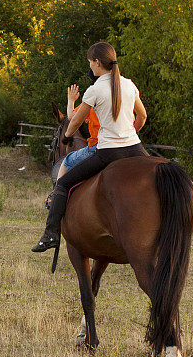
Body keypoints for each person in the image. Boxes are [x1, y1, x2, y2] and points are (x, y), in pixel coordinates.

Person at [32, 41, 148, 252]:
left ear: (97, 62)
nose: (90, 67)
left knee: (64, 183)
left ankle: (50, 235)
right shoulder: (129, 84)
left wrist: (66, 137)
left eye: (90, 63)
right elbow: (142, 116)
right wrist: (129, 134)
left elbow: (75, 122)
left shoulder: (95, 90)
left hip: (108, 152)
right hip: (134, 147)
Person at [57, 82, 100, 180]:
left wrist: (71, 100)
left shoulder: (95, 94)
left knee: (66, 162)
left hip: (99, 146)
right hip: (127, 144)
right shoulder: (124, 89)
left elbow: (72, 117)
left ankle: (56, 194)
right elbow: (142, 116)